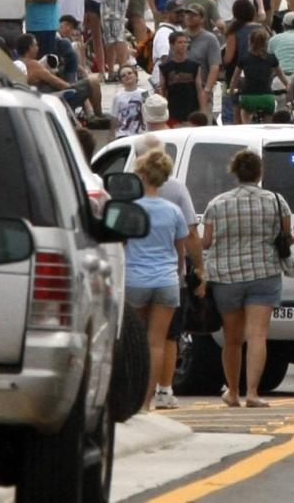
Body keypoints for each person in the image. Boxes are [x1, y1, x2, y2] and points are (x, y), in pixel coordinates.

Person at [201, 148, 292, 406]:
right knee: (257, 335)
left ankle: (232, 391)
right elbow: (286, 236)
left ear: (234, 172)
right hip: (264, 272)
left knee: (232, 338)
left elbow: (206, 241)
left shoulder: (217, 203)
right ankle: (252, 392)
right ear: (260, 172)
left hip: (226, 276)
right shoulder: (276, 200)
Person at [124, 149, 198, 412]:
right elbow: (181, 251)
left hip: (135, 279)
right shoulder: (173, 212)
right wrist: (178, 274)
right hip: (167, 281)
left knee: (136, 341)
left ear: (142, 176)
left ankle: (131, 397)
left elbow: (121, 246)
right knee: (158, 342)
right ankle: (148, 400)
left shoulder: (130, 209)